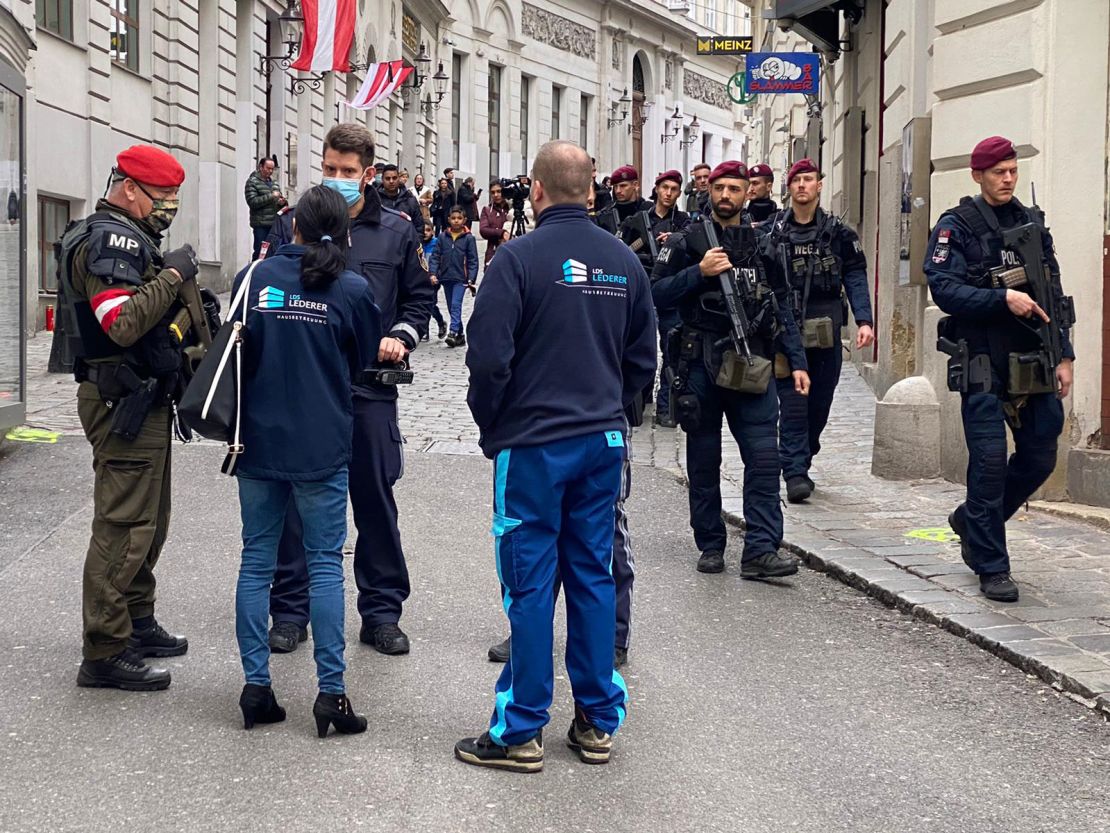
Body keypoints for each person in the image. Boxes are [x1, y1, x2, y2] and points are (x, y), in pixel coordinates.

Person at [457, 140, 656, 772]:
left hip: (535, 446)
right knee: (593, 575)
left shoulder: (515, 260)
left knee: (530, 583)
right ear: (591, 193)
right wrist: (614, 415)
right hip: (601, 443)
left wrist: (496, 425)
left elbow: (488, 357)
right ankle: (597, 721)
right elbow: (643, 359)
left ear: (535, 192)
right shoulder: (624, 261)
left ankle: (520, 730)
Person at [263, 123, 434, 656]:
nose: (337, 179)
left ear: (368, 174)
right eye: (330, 169)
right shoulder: (292, 222)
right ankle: (291, 609)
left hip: (368, 388)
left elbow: (419, 300)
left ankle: (381, 610)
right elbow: (268, 284)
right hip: (302, 388)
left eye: (347, 172)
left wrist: (401, 336)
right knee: (293, 498)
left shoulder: (398, 231)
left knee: (374, 499)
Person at [231, 184, 381, 737]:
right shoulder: (351, 288)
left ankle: (256, 687)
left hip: (259, 440)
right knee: (324, 565)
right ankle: (331, 694)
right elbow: (363, 356)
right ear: (343, 232)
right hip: (321, 444)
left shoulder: (256, 280)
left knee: (256, 561)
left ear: (291, 226)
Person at [65, 145, 198, 691]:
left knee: (149, 519)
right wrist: (172, 277)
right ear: (128, 189)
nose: (168, 207)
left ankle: (137, 622)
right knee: (122, 525)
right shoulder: (109, 239)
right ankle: (105, 649)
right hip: (121, 400)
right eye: (162, 197)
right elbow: (120, 321)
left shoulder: (130, 235)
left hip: (142, 397)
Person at [925, 136, 1075, 603]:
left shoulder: (1032, 224)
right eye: (998, 172)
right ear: (978, 175)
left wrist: (1065, 353)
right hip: (983, 358)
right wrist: (1000, 298)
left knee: (1040, 455)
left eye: (1012, 170)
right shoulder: (957, 225)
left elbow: (1052, 291)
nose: (1008, 179)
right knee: (989, 463)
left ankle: (972, 521)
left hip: (1033, 358)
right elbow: (944, 289)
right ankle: (991, 563)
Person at [652, 161, 810, 577]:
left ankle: (760, 549)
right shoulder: (687, 242)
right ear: (709, 192)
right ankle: (710, 544)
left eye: (735, 189)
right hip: (700, 363)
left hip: (751, 363)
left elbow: (784, 305)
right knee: (704, 460)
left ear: (747, 193)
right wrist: (697, 273)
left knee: (763, 459)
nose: (725, 195)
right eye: (719, 188)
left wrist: (797, 362)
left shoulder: (766, 245)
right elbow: (656, 294)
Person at [765, 159, 873, 503]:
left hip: (825, 325)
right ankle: (795, 472)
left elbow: (855, 276)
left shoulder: (839, 234)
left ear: (819, 185)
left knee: (820, 403)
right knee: (794, 403)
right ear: (789, 186)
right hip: (785, 324)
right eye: (796, 180)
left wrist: (865, 319)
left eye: (808, 179)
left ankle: (804, 453)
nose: (802, 186)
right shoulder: (771, 231)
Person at [620, 169, 689, 426]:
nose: (669, 193)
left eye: (674, 189)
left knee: (672, 348)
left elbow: (693, 241)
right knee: (638, 345)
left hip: (670, 291)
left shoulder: (683, 221)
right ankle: (638, 399)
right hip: (641, 288)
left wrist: (675, 240)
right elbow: (620, 249)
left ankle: (665, 408)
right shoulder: (638, 220)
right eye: (665, 188)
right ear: (657, 189)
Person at [429, 206, 478, 347]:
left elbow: (473, 260)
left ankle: (452, 332)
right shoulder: (443, 237)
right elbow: (436, 256)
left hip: (461, 278)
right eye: (454, 218)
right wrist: (433, 273)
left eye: (459, 218)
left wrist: (471, 278)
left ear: (464, 220)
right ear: (449, 219)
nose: (456, 221)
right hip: (446, 277)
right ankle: (461, 335)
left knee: (456, 305)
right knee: (451, 307)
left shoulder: (469, 238)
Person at [245, 156, 287, 260]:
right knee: (260, 252)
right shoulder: (252, 182)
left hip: (274, 224)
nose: (270, 171)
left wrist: (282, 202)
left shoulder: (274, 182)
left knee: (273, 252)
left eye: (272, 169)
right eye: (268, 168)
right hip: (261, 224)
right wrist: (271, 196)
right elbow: (252, 202)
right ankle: (254, 272)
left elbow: (279, 201)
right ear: (261, 167)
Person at [595, 165, 651, 234]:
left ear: (635, 185)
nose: (618, 191)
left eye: (623, 186)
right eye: (615, 187)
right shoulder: (606, 215)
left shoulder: (648, 210)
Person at [377, 163, 425, 238]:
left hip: (405, 246)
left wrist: (416, 245)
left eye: (394, 178)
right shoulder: (375, 200)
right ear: (382, 179)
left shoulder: (410, 200)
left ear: (398, 179)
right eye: (387, 178)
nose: (391, 181)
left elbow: (419, 227)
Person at [422, 220, 447, 340]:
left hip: (434, 278)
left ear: (432, 231)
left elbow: (440, 261)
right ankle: (424, 330)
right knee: (423, 304)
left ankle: (440, 322)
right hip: (420, 279)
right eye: (423, 230)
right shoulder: (417, 243)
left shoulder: (437, 243)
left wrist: (437, 275)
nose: (425, 233)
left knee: (430, 304)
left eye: (428, 230)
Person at [479, 180, 510, 268]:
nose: (496, 195)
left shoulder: (512, 209)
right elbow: (483, 230)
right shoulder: (487, 210)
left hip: (512, 252)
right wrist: (501, 233)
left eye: (499, 191)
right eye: (493, 192)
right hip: (493, 252)